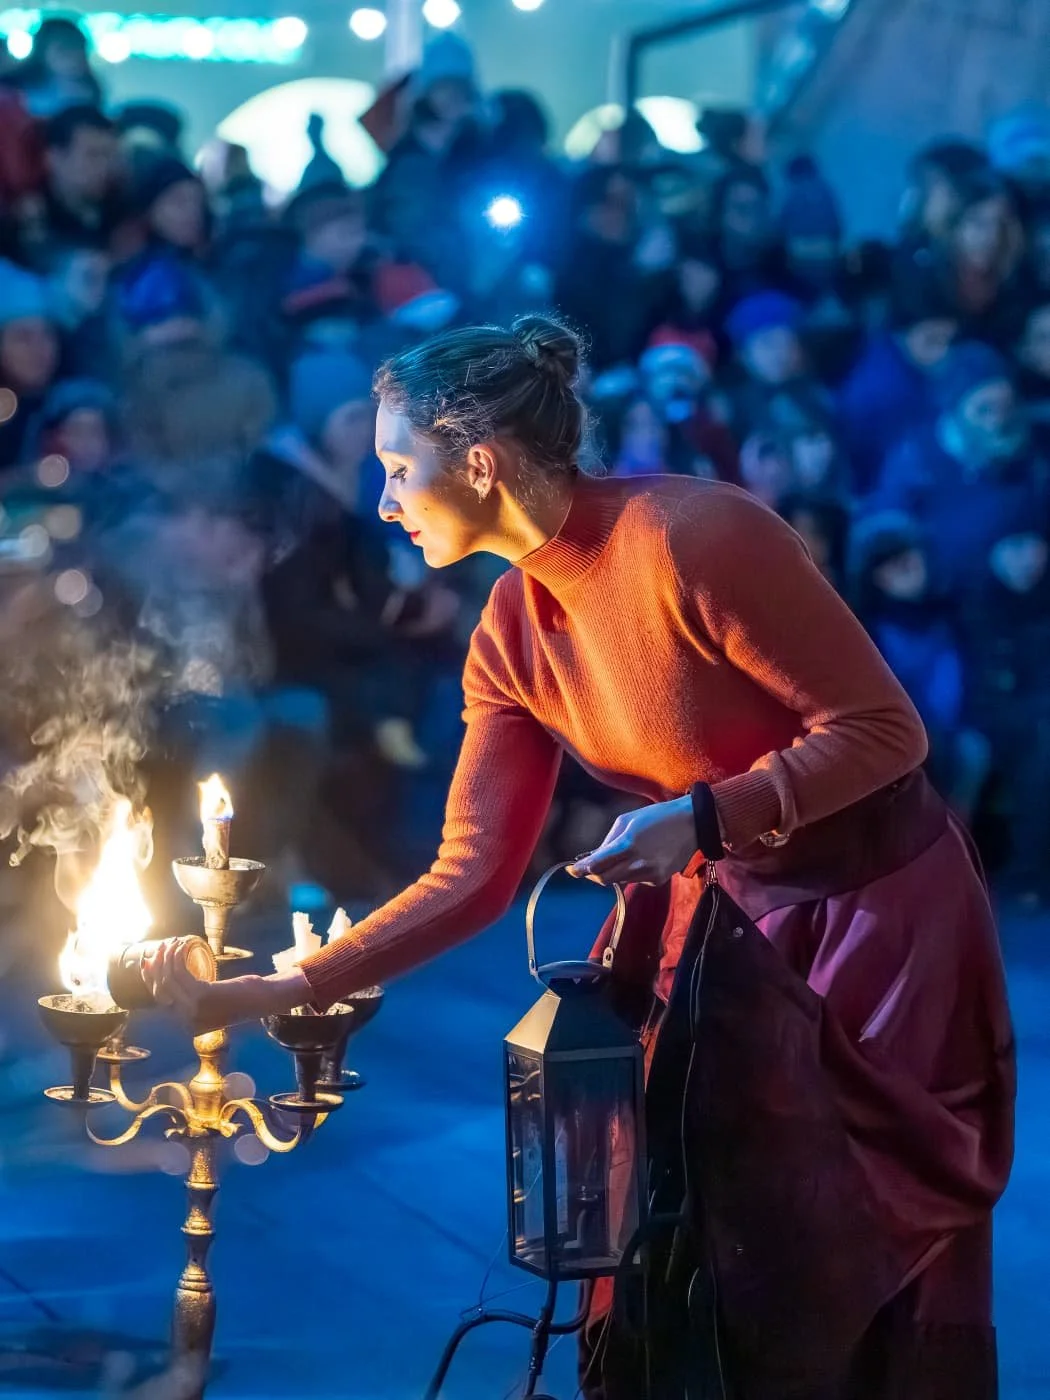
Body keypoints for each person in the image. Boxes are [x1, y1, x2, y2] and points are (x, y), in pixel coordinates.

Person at [145, 315, 1013, 1400]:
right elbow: (473, 866)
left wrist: (702, 818)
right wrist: (296, 980)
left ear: (477, 459)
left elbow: (887, 733)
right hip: (721, 923)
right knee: (688, 1241)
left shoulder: (695, 534)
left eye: (397, 467)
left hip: (871, 924)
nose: (383, 501)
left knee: (836, 1257)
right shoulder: (510, 626)